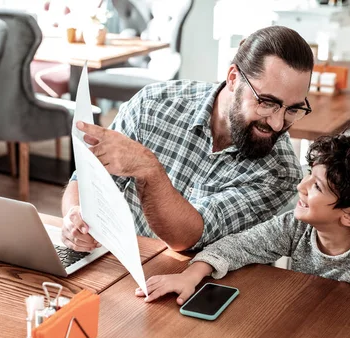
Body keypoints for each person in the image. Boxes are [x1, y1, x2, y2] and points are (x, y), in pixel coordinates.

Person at [62, 26, 314, 252]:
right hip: (118, 263)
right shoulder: (154, 105)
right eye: (267, 102)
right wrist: (75, 217)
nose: (278, 123)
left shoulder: (280, 172)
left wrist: (149, 169)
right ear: (233, 79)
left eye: (293, 109)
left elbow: (185, 238)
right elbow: (85, 182)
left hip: (197, 289)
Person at [136, 130, 350, 302]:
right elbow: (240, 245)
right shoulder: (296, 228)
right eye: (308, 176)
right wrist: (192, 274)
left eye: (316, 186)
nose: (300, 187)